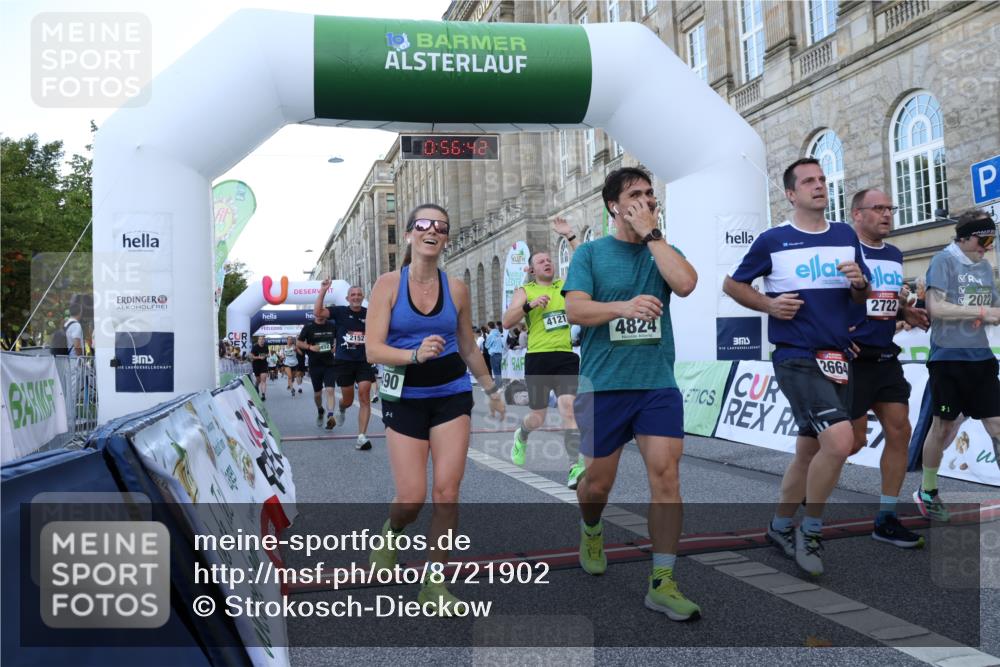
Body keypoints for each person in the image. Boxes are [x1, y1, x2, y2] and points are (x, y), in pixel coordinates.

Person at [723, 157, 871, 576]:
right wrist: (768, 304)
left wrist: (860, 283)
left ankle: (779, 525)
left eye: (823, 179)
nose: (819, 186)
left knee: (809, 453)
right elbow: (732, 284)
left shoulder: (845, 235)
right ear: (791, 194)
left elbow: (860, 296)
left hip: (838, 359)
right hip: (796, 357)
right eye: (808, 181)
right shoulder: (774, 240)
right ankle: (811, 530)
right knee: (840, 443)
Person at [564, 167, 700, 620]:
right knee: (597, 485)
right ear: (613, 206)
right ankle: (591, 527)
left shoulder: (662, 249)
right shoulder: (590, 253)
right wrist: (623, 307)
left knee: (667, 478)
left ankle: (662, 580)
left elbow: (685, 283)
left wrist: (653, 235)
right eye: (634, 196)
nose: (645, 201)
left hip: (656, 384)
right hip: (604, 386)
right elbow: (575, 309)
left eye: (649, 195)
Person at [365, 203, 505, 614]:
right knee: (412, 497)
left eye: (440, 226)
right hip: (404, 397)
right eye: (424, 224)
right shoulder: (388, 285)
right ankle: (392, 531)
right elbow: (373, 348)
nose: (433, 231)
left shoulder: (456, 288)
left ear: (444, 239)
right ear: (410, 235)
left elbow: (466, 344)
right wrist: (413, 357)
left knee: (447, 492)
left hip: (450, 394)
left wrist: (491, 388)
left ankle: (435, 582)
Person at [847, 188, 929, 547]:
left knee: (900, 431)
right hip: (850, 358)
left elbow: (885, 298)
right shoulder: (846, 251)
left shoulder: (895, 254)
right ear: (857, 215)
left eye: (890, 208)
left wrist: (905, 311)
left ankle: (887, 516)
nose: (886, 214)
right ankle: (806, 486)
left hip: (884, 357)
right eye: (877, 208)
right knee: (849, 442)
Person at [916, 209, 1000, 521]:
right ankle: (928, 489)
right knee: (944, 427)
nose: (988, 245)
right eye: (984, 238)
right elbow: (935, 308)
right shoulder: (944, 260)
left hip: (981, 358)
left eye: (992, 239)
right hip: (948, 359)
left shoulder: (984, 266)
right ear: (964, 237)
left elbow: (993, 308)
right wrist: (981, 312)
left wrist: (992, 311)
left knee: (997, 426)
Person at [502, 217, 585, 488]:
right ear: (531, 269)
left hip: (564, 356)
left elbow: (585, 260)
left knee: (567, 408)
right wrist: (529, 306)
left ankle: (575, 466)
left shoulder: (564, 285)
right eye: (541, 261)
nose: (547, 263)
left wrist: (570, 235)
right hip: (538, 358)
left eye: (549, 260)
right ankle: (522, 434)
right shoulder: (525, 290)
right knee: (537, 417)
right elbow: (506, 321)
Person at [315, 281, 376, 451]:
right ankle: (342, 407)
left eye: (359, 295)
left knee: (364, 394)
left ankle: (362, 437)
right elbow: (317, 312)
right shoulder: (340, 312)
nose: (356, 297)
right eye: (353, 295)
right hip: (344, 361)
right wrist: (323, 291)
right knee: (348, 400)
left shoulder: (369, 313)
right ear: (347, 298)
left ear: (363, 297)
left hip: (364, 360)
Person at [297, 309, 339, 429]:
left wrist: (336, 346)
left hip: (329, 363)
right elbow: (299, 343)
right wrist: (310, 347)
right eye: (318, 313)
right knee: (317, 394)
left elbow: (340, 338)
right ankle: (320, 410)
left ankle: (330, 415)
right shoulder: (308, 327)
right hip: (315, 364)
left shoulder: (331, 325)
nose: (320, 315)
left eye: (322, 313)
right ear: (315, 314)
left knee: (330, 390)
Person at [485, 320, 505, 385]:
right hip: (499, 353)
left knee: (496, 371)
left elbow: (487, 345)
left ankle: (498, 385)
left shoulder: (490, 335)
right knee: (499, 370)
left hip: (494, 354)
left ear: (489, 327)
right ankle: (500, 384)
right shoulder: (498, 333)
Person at [250, 336, 269, 401]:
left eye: (262, 339)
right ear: (258, 340)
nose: (261, 340)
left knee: (263, 380)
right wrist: (259, 357)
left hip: (264, 364)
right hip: (256, 365)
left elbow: (267, 354)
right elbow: (251, 356)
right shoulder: (255, 347)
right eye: (260, 339)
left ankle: (263, 394)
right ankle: (256, 385)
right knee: (258, 380)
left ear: (264, 340)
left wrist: (266, 356)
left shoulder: (266, 347)